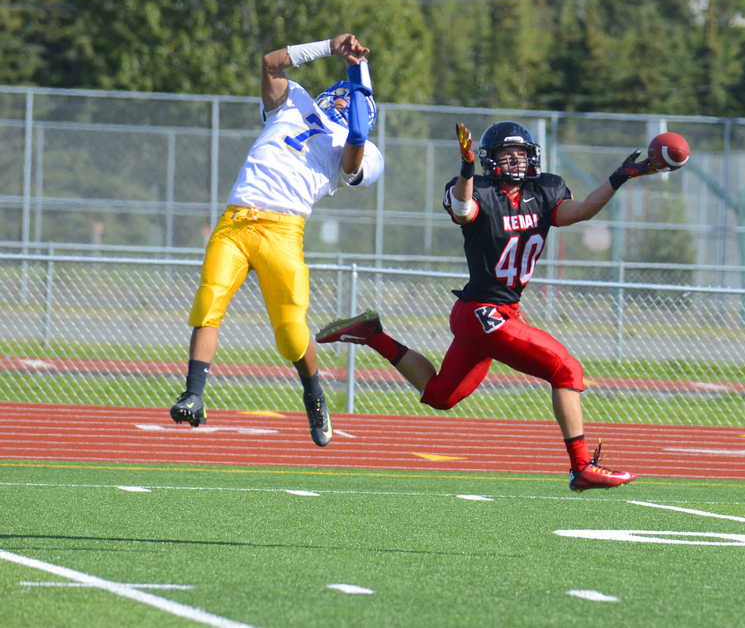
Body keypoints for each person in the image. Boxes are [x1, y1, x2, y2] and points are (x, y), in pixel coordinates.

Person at [316, 120, 674, 490]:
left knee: (441, 395)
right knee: (566, 370)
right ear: (490, 160)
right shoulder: (478, 189)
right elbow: (463, 210)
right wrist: (467, 168)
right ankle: (581, 467)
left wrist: (620, 177)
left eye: (522, 153)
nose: (517, 160)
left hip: (499, 313)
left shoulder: (545, 189)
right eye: (508, 154)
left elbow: (580, 211)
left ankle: (373, 334)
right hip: (483, 312)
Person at [169, 33, 384, 448]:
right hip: (236, 218)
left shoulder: (363, 148)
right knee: (209, 299)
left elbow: (354, 149)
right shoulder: (295, 100)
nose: (340, 101)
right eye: (340, 95)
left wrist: (359, 82)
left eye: (349, 99)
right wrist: (329, 47)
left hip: (283, 230)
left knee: (289, 332)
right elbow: (270, 62)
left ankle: (313, 389)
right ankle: (194, 393)